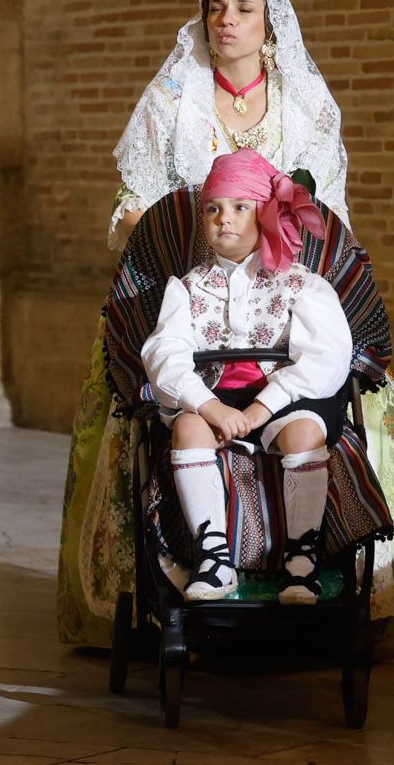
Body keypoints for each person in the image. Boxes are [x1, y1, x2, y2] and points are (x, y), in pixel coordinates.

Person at [58, 0, 394, 644]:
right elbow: (130, 202)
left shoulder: (305, 104)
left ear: (269, 27)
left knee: (337, 388)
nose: (227, 20)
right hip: (193, 291)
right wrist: (169, 237)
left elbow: (329, 214)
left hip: (282, 296)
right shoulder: (174, 97)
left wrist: (293, 258)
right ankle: (170, 583)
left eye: (243, 9)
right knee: (153, 399)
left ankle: (319, 569)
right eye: (215, 8)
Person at [141, 149, 346, 605]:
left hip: (286, 400)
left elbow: (326, 359)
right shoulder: (188, 287)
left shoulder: (301, 284)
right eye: (212, 209)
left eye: (239, 208)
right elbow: (164, 355)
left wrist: (261, 408)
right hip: (215, 396)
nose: (223, 219)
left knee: (304, 433)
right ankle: (214, 558)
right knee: (189, 427)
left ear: (266, 214)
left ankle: (302, 560)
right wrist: (207, 404)